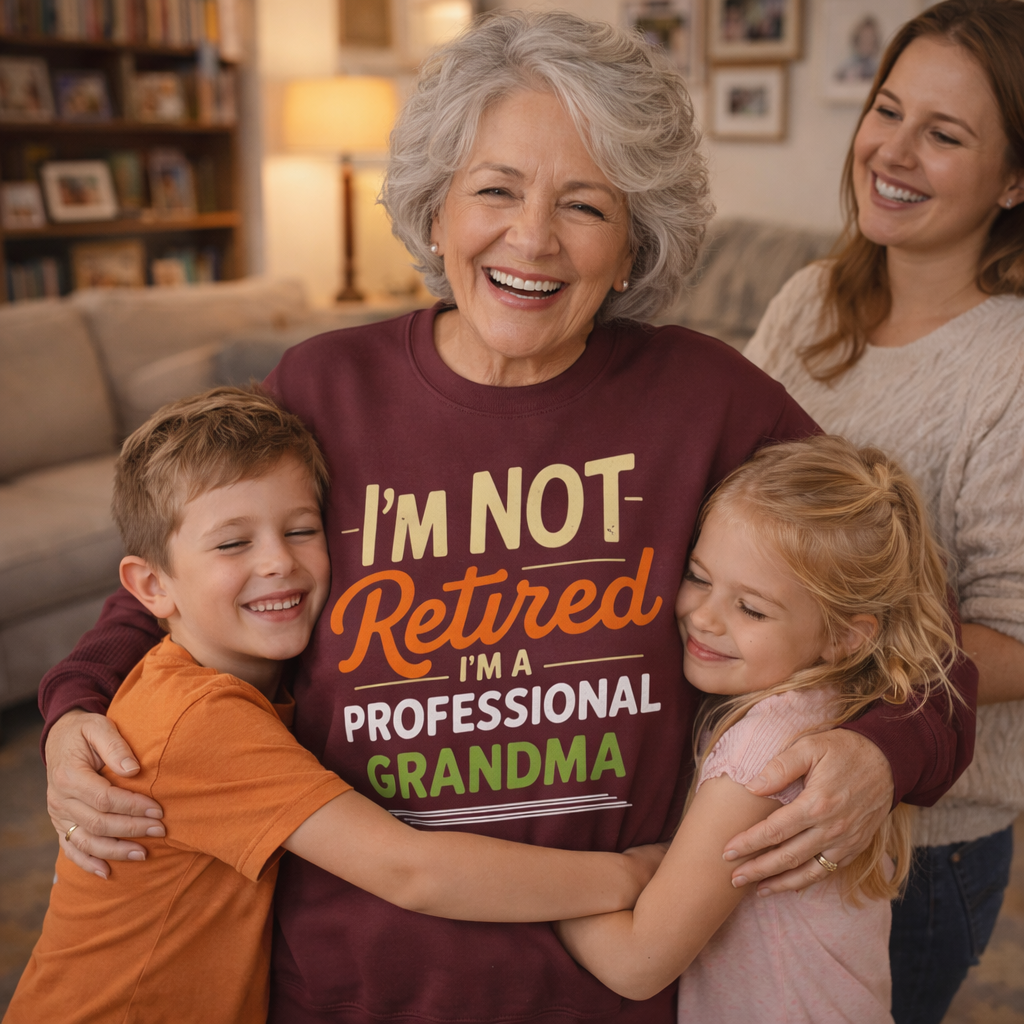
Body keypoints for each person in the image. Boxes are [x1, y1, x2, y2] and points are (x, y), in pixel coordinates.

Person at [38, 12, 976, 1024]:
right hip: (352, 990)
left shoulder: (704, 400)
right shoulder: (326, 385)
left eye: (584, 205)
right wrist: (76, 709)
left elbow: (911, 627)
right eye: (494, 189)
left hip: (611, 990)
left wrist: (886, 751)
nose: (530, 239)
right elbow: (182, 577)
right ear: (436, 209)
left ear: (632, 246)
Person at [6, 386, 662, 1024]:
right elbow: (411, 871)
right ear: (151, 586)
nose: (277, 564)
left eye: (301, 530)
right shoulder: (197, 718)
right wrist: (632, 876)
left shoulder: (247, 680)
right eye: (233, 543)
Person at [743, 2, 1024, 1021]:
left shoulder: (1009, 365)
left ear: (1013, 179)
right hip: (758, 784)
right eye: (887, 111)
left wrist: (831, 655)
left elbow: (1021, 640)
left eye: (944, 134)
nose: (891, 152)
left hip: (915, 838)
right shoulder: (810, 301)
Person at [556, 436, 961, 1024]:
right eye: (698, 576)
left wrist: (535, 875)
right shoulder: (834, 699)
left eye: (752, 609)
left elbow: (637, 963)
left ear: (847, 636)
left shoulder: (764, 753)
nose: (705, 615)